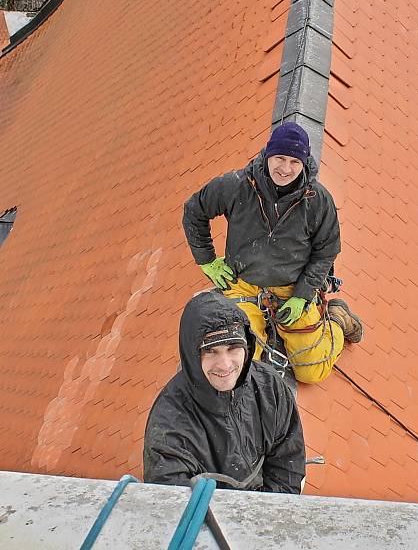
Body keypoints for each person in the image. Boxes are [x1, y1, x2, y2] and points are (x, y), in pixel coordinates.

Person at [182, 122, 363, 384]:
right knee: (241, 362)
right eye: (279, 158)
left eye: (294, 162)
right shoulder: (236, 186)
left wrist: (302, 295)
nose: (285, 169)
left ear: (304, 163)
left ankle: (337, 318)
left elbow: (326, 251)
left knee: (311, 371)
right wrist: (207, 260)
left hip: (291, 288)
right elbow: (194, 211)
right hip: (243, 284)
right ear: (268, 155)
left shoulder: (317, 201)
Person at [143, 291, 305, 492]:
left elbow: (288, 463)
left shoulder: (269, 386)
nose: (224, 365)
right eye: (210, 351)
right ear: (192, 355)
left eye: (233, 348)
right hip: (208, 515)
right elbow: (174, 501)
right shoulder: (170, 421)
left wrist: (269, 510)